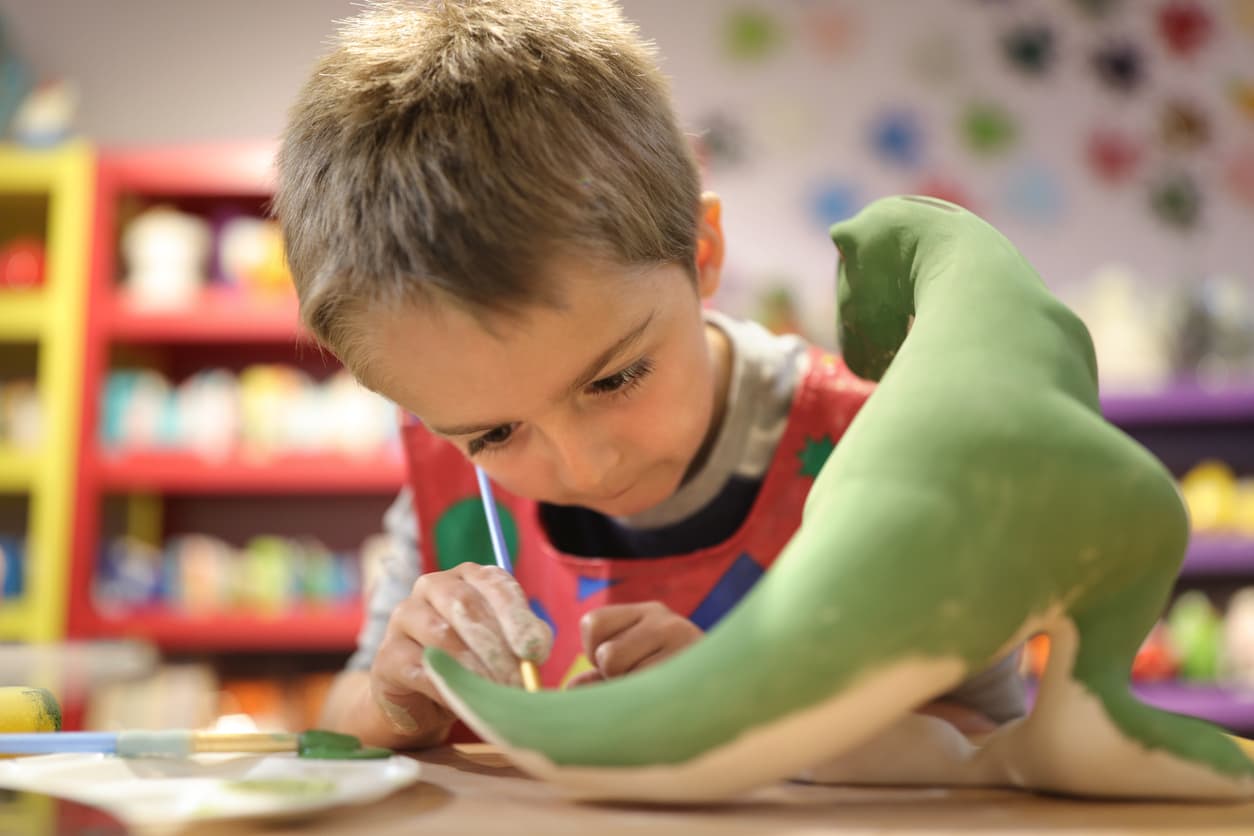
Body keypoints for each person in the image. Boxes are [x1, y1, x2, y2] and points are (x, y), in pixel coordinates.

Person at [273, 0, 1024, 750]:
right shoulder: (446, 481)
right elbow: (344, 717)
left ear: (701, 255)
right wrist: (394, 699)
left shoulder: (883, 449)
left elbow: (989, 739)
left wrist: (749, 708)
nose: (586, 465)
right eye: (495, 434)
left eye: (614, 378)